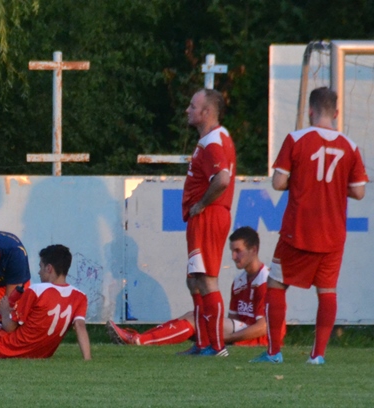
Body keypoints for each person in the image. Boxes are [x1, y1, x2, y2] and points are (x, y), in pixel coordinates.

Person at [252, 87, 368, 365]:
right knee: (327, 291)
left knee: (276, 284)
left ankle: (274, 352)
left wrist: (303, 180)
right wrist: (333, 186)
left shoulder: (296, 139)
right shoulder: (350, 146)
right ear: (336, 113)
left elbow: (278, 182)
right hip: (333, 233)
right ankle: (317, 356)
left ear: (310, 110)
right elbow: (359, 191)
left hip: (298, 229)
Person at [108, 227, 277, 347]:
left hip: (259, 339)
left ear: (253, 250)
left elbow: (264, 327)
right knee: (194, 316)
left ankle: (138, 340)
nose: (233, 256)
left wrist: (225, 339)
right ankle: (138, 338)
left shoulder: (265, 280)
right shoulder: (239, 281)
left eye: (238, 251)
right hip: (239, 333)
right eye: (232, 251)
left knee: (196, 318)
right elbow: (233, 319)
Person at [179, 88, 237, 357]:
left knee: (207, 280)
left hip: (209, 215)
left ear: (207, 112)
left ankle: (217, 346)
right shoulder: (214, 138)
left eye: (193, 106)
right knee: (194, 280)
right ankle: (203, 343)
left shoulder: (213, 141)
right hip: (205, 216)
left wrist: (202, 203)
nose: (188, 110)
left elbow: (222, 179)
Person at [0, 244, 90, 360]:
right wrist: (87, 359)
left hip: (0, 347)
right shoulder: (80, 296)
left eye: (41, 267)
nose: (39, 272)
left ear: (49, 268)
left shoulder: (37, 290)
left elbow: (9, 327)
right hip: (40, 354)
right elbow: (80, 326)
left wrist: (5, 311)